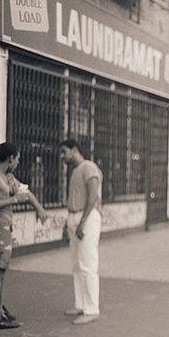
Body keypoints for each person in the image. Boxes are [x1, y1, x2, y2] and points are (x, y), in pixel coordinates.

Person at [0, 142, 49, 329]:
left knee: (0, 271)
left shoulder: (7, 176)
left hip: (3, 229)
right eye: (17, 158)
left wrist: (39, 209)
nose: (18, 162)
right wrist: (12, 199)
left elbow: (24, 192)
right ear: (10, 158)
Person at [59, 138, 103, 325]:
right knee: (77, 264)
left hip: (87, 217)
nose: (63, 157)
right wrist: (68, 223)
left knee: (87, 264)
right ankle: (81, 303)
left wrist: (82, 223)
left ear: (74, 149)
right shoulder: (76, 170)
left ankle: (92, 308)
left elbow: (93, 197)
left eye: (64, 152)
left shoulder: (88, 167)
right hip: (75, 217)